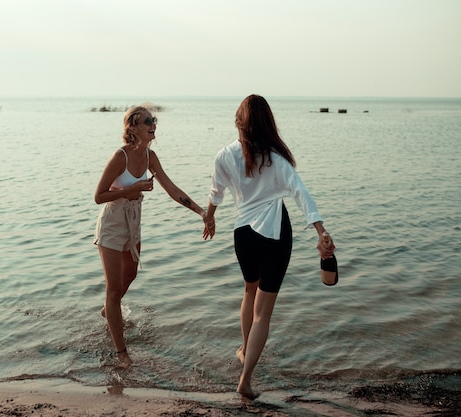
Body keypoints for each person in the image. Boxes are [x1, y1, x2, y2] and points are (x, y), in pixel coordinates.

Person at [202, 94, 335, 399]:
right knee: (263, 313)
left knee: (250, 291)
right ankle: (246, 380)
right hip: (274, 233)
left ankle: (245, 351)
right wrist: (320, 231)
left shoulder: (224, 155)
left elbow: (216, 193)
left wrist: (209, 218)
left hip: (243, 235)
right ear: (267, 123)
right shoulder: (277, 157)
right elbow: (300, 193)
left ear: (239, 123)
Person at [94, 105, 207, 368]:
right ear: (133, 127)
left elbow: (171, 187)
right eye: (147, 121)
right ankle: (121, 352)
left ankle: (108, 312)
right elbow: (98, 196)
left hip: (134, 220)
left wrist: (201, 211)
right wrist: (132, 188)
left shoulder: (150, 156)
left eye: (154, 120)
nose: (153, 124)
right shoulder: (119, 157)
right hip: (112, 222)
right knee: (113, 289)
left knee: (130, 275)